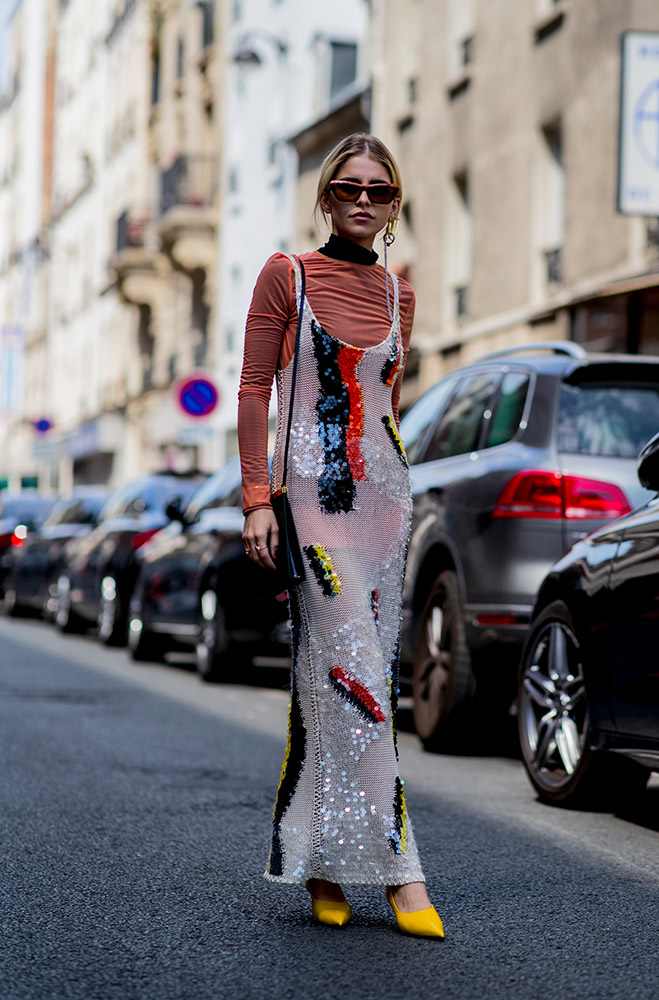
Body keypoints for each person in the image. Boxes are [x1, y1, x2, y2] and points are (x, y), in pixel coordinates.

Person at [237, 133, 443, 939]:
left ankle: (322, 863)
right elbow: (255, 389)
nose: (363, 200)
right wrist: (259, 498)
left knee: (349, 686)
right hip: (312, 504)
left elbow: (384, 404)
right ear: (325, 196)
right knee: (353, 672)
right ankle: (402, 872)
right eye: (349, 187)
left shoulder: (402, 296)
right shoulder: (284, 273)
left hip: (384, 504)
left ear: (393, 205)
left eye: (379, 191)